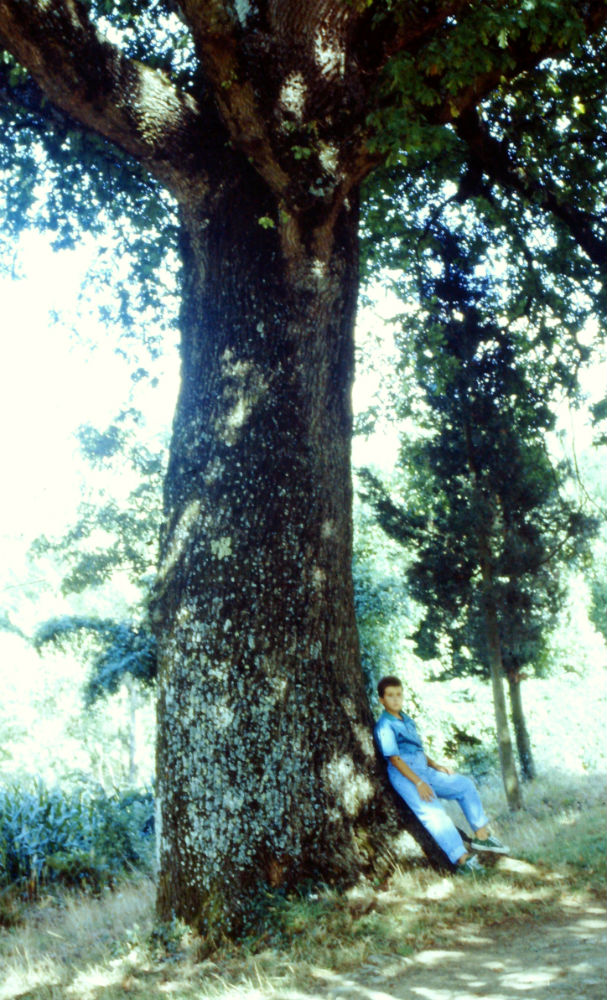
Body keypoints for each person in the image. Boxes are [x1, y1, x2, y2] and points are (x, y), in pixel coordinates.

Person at [374, 675, 509, 875]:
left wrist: (436, 765)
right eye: (390, 696)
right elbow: (395, 759)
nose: (395, 699)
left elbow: (416, 750)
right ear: (382, 700)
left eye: (399, 695)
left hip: (423, 768)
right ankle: (463, 861)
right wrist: (419, 782)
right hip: (406, 775)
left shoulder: (406, 719)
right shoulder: (384, 725)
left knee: (463, 785)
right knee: (434, 812)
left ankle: (482, 836)